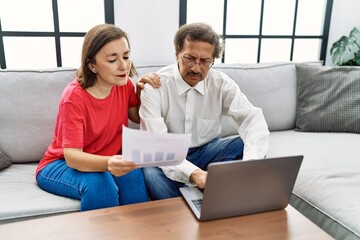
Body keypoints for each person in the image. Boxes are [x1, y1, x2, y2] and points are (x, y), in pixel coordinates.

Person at [35, 23, 160, 211]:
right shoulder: (73, 98)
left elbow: (135, 116)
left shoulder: (123, 84)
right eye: (112, 60)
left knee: (133, 178)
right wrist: (109, 164)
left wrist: (143, 90)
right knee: (100, 185)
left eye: (126, 57)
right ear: (92, 65)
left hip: (108, 157)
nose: (123, 66)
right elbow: (72, 157)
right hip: (60, 164)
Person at [139, 22, 270, 200]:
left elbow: (252, 120)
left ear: (213, 60)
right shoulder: (155, 87)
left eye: (204, 61)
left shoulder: (221, 83)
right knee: (152, 175)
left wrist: (248, 167)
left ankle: (213, 198)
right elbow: (156, 144)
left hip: (207, 151)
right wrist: (194, 174)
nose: (196, 68)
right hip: (166, 153)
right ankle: (189, 208)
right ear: (177, 54)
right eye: (190, 58)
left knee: (247, 144)